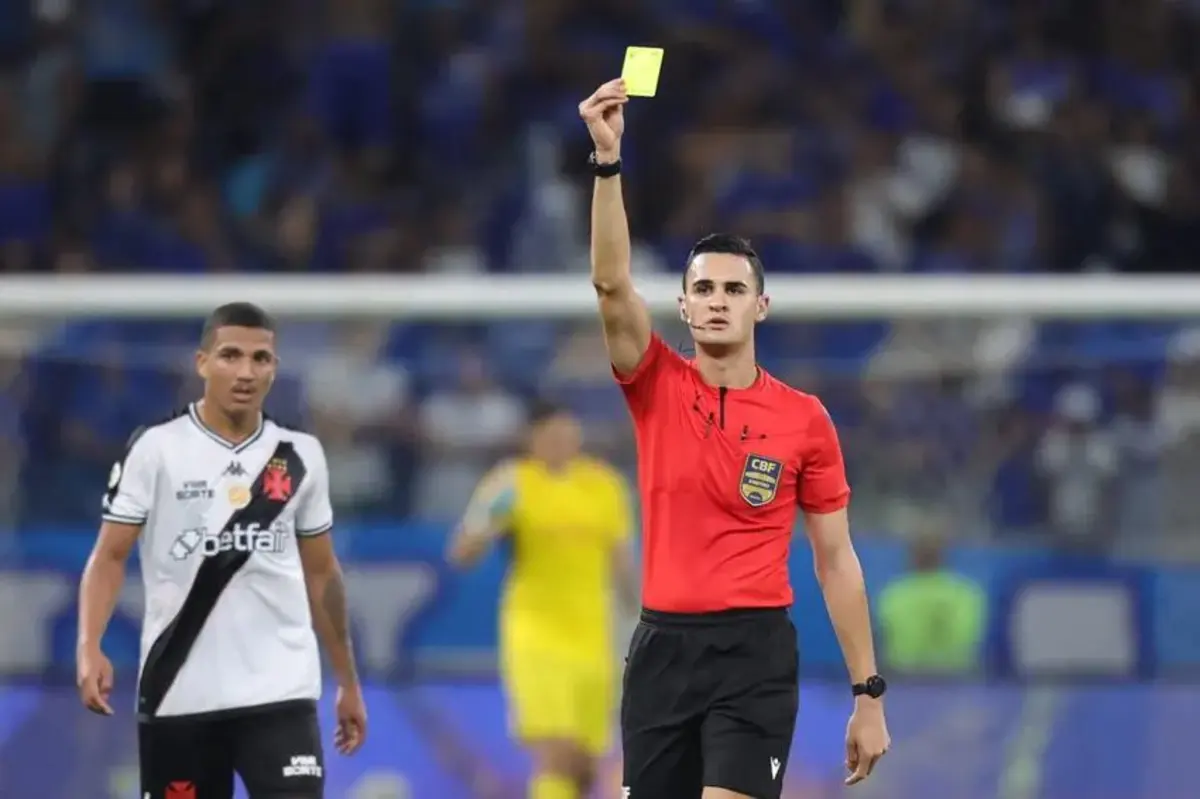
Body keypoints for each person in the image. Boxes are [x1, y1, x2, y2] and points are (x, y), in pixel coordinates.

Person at [579, 78, 892, 798]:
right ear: (683, 306)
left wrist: (867, 692)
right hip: (661, 649)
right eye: (704, 290)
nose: (718, 301)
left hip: (754, 651)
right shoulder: (654, 382)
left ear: (761, 305)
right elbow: (609, 283)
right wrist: (607, 162)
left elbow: (836, 558)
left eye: (732, 289)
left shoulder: (805, 417)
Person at [75, 302, 367, 799]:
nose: (246, 372)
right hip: (179, 693)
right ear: (202, 362)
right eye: (231, 355)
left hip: (281, 692)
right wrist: (89, 646)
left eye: (261, 359)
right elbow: (109, 556)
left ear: (275, 368)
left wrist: (347, 679)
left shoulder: (300, 457)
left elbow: (323, 573)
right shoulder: (156, 449)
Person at [448, 401, 638, 799]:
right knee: (555, 752)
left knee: (584, 766)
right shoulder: (512, 482)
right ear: (531, 440)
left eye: (568, 435)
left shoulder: (604, 485)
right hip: (535, 630)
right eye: (551, 436)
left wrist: (647, 625)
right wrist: (487, 518)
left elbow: (623, 563)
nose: (561, 444)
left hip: (593, 635)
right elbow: (461, 553)